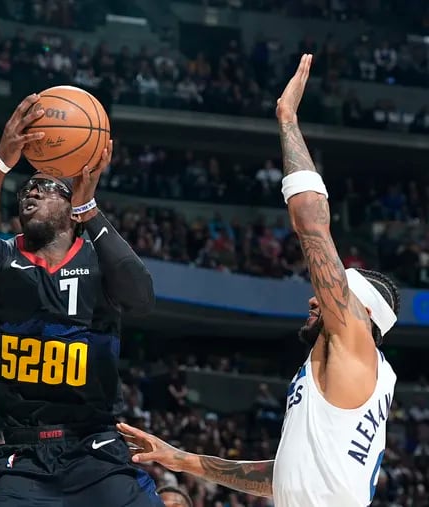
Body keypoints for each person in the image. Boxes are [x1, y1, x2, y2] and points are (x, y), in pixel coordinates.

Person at [117, 54, 400, 507]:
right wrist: (184, 460)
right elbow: (284, 477)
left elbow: (311, 222)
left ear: (361, 314)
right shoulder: (356, 379)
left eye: (336, 297)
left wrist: (287, 119)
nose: (316, 299)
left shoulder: (354, 340)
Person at [0, 93, 161, 506]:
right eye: (26, 188)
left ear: (69, 205)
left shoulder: (97, 256)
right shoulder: (1, 257)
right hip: (21, 457)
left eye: (45, 187)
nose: (31, 193)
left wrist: (90, 208)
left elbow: (141, 298)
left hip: (94, 448)